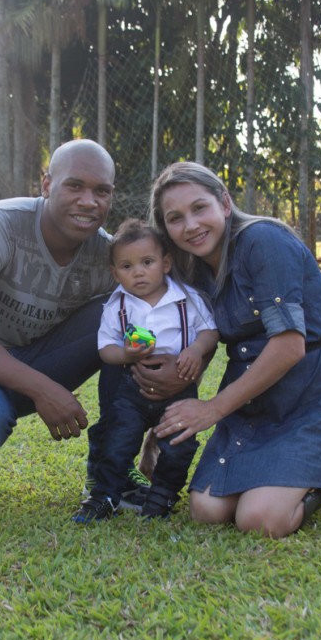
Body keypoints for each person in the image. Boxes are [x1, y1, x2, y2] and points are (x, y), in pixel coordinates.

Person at [0, 139, 146, 506]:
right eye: (75, 186)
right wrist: (45, 390)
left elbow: (158, 311)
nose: (89, 201)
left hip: (34, 357)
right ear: (47, 184)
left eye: (101, 191)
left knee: (127, 315)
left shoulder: (108, 256)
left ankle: (109, 466)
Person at [131, 161, 321, 538]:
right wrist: (161, 429)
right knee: (205, 509)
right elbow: (200, 351)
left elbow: (289, 347)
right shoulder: (192, 270)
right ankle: (281, 478)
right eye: (175, 218)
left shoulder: (263, 240)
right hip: (250, 398)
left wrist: (212, 409)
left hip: (307, 393)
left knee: (260, 519)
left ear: (224, 203)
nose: (191, 225)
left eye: (199, 208)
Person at [72, 219, 218, 523]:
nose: (138, 272)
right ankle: (104, 497)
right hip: (132, 388)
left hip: (179, 388)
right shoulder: (117, 306)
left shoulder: (186, 299)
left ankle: (162, 496)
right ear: (115, 273)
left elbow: (209, 332)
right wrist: (125, 353)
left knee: (179, 444)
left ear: (166, 264)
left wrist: (195, 350)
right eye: (127, 266)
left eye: (147, 262)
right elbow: (106, 348)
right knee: (117, 441)